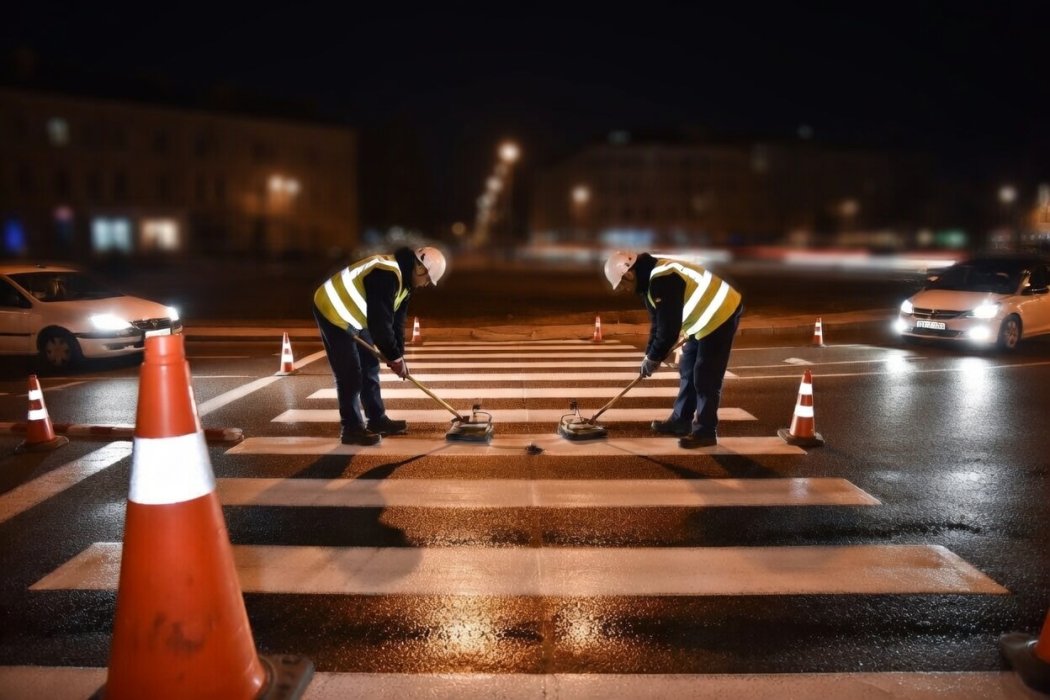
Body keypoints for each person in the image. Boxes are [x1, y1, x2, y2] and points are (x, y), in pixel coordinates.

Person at [604, 251, 743, 448]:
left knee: (705, 376)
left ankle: (705, 431)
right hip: (700, 321)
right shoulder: (648, 285)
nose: (624, 290)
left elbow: (669, 329)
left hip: (721, 314)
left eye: (622, 285)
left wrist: (654, 357)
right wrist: (649, 357)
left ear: (628, 274)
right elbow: (658, 324)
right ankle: (681, 421)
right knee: (687, 369)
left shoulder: (663, 278)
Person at [312, 246, 447, 445]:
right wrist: (393, 358)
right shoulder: (385, 275)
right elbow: (380, 326)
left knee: (370, 367)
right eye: (427, 279)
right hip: (332, 311)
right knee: (350, 374)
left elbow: (396, 322)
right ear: (421, 270)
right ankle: (351, 429)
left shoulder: (406, 283)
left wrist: (399, 356)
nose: (426, 284)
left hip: (359, 317)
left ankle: (377, 420)